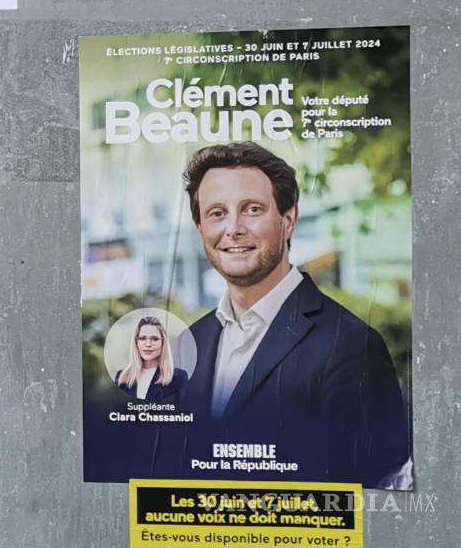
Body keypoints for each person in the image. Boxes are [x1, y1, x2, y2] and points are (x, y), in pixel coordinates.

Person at [173, 141, 409, 487]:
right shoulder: (189, 343)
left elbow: (370, 497)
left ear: (288, 220)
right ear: (199, 229)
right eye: (217, 213)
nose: (233, 228)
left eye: (252, 209)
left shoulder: (350, 345)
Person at [114, 316, 187, 400]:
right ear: (136, 342)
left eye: (155, 339)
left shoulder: (178, 377)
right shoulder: (122, 377)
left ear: (163, 343)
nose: (148, 344)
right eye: (142, 338)